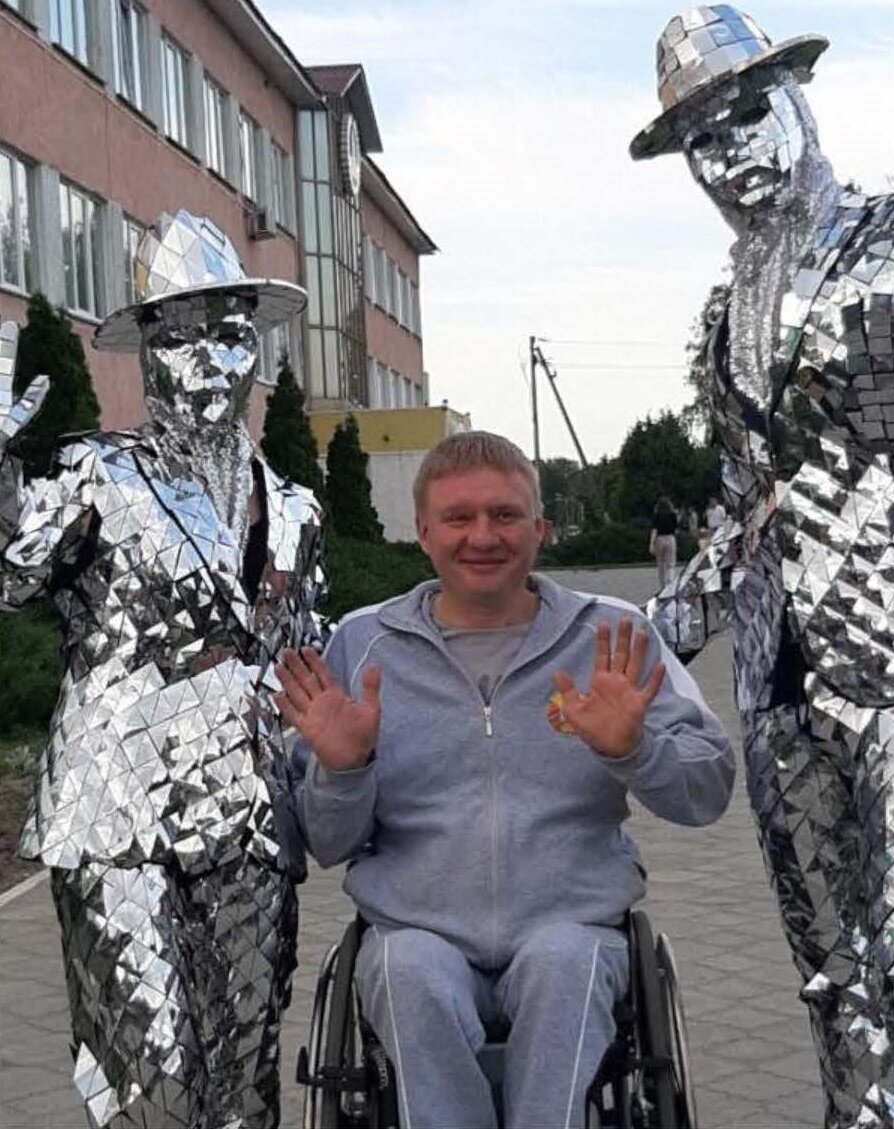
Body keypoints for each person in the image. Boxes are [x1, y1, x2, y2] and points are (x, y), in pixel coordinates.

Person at [631, 8, 894, 1129]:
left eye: (745, 116)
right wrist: (656, 626)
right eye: (701, 142)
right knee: (835, 984)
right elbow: (751, 504)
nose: (729, 154)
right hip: (781, 683)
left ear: (796, 98)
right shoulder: (726, 312)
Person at [275, 431, 735, 1129]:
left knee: (566, 963)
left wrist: (636, 750)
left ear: (539, 529)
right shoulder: (363, 644)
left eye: (504, 515)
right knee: (406, 969)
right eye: (458, 517)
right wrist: (344, 770)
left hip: (571, 921)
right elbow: (329, 844)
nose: (482, 536)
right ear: (423, 532)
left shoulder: (612, 635)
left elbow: (709, 789)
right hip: (414, 925)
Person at [0, 211, 324, 1128]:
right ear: (147, 353)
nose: (209, 362)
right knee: (156, 1083)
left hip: (250, 821)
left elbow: (310, 653)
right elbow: (10, 570)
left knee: (245, 1086)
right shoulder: (96, 474)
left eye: (229, 336)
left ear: (254, 350)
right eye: (179, 339)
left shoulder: (294, 508)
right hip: (118, 820)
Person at [648, 494, 679, 588]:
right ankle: (671, 582)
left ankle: (663, 586)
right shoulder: (673, 515)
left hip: (660, 539)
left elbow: (654, 530)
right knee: (671, 564)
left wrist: (651, 544)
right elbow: (676, 528)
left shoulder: (656, 515)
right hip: (670, 538)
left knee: (661, 564)